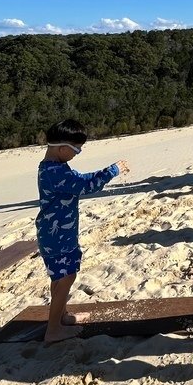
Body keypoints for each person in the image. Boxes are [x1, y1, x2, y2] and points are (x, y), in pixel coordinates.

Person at [35, 119, 129, 343]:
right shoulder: (53, 172)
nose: (77, 154)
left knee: (59, 277)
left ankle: (62, 316)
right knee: (66, 276)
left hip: (57, 233)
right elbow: (85, 185)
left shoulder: (54, 167)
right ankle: (53, 330)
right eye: (76, 149)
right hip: (56, 235)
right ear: (62, 147)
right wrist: (112, 170)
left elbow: (79, 179)